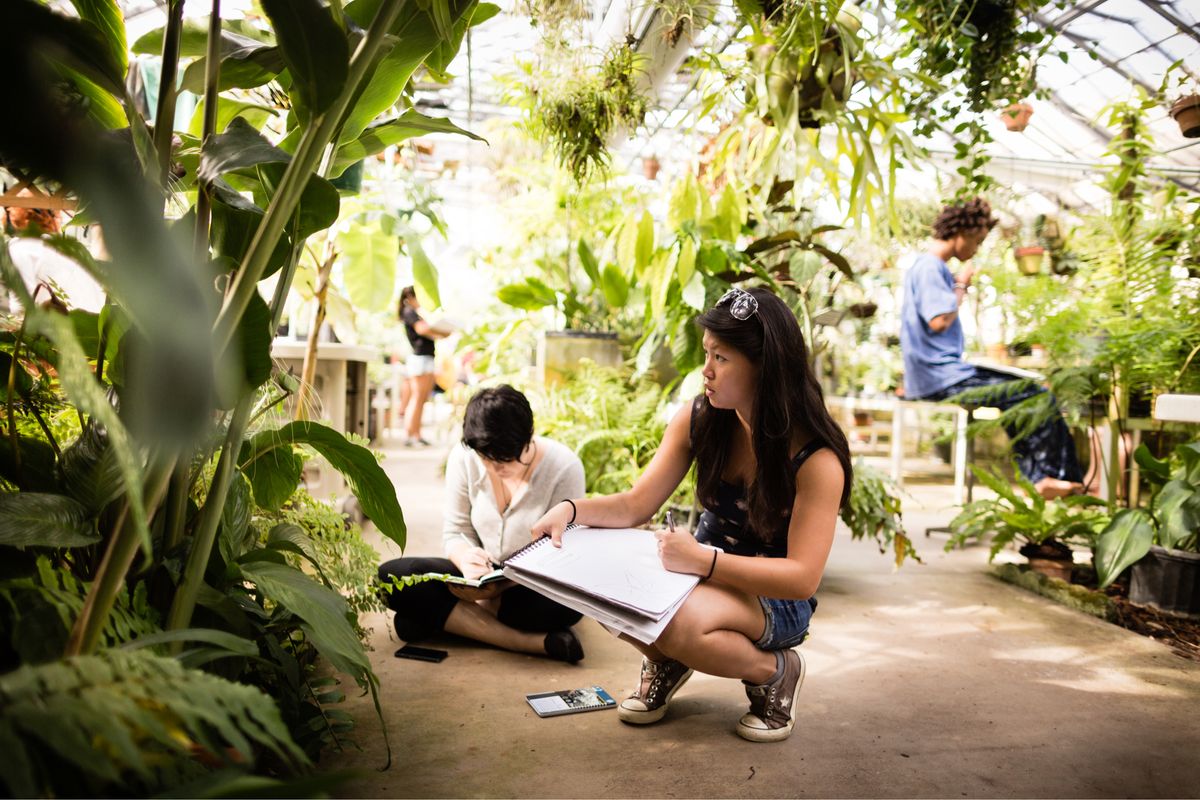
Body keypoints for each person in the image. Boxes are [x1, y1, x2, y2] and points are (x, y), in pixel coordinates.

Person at [530, 287, 852, 742]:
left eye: (721, 358)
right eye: (707, 354)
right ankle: (668, 660)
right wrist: (570, 511)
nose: (706, 371)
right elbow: (636, 504)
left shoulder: (816, 459)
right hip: (698, 575)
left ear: (765, 367)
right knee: (594, 586)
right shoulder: (700, 417)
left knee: (679, 624)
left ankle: (774, 670)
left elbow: (801, 578)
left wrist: (704, 561)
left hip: (774, 598)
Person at [378, 385, 588, 662]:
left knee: (566, 606)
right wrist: (465, 560)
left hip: (528, 584)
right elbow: (456, 531)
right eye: (487, 459)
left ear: (529, 437)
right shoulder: (464, 458)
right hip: (476, 576)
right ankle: (528, 643)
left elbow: (565, 552)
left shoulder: (564, 468)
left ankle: (452, 618)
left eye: (508, 458)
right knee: (393, 577)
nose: (496, 468)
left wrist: (499, 589)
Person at [899, 197, 1084, 499]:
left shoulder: (928, 266)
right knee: (1033, 393)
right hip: (941, 376)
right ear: (964, 231)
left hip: (938, 373)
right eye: (978, 240)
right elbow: (939, 320)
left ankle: (1041, 478)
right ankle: (1046, 477)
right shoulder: (931, 267)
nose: (977, 248)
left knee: (1021, 394)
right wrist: (962, 285)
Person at [398, 286, 448, 447]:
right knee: (417, 398)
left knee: (422, 399)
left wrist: (442, 333)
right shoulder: (409, 311)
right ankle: (410, 434)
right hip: (419, 359)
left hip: (426, 358)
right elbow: (422, 329)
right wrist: (441, 331)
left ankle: (417, 434)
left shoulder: (414, 312)